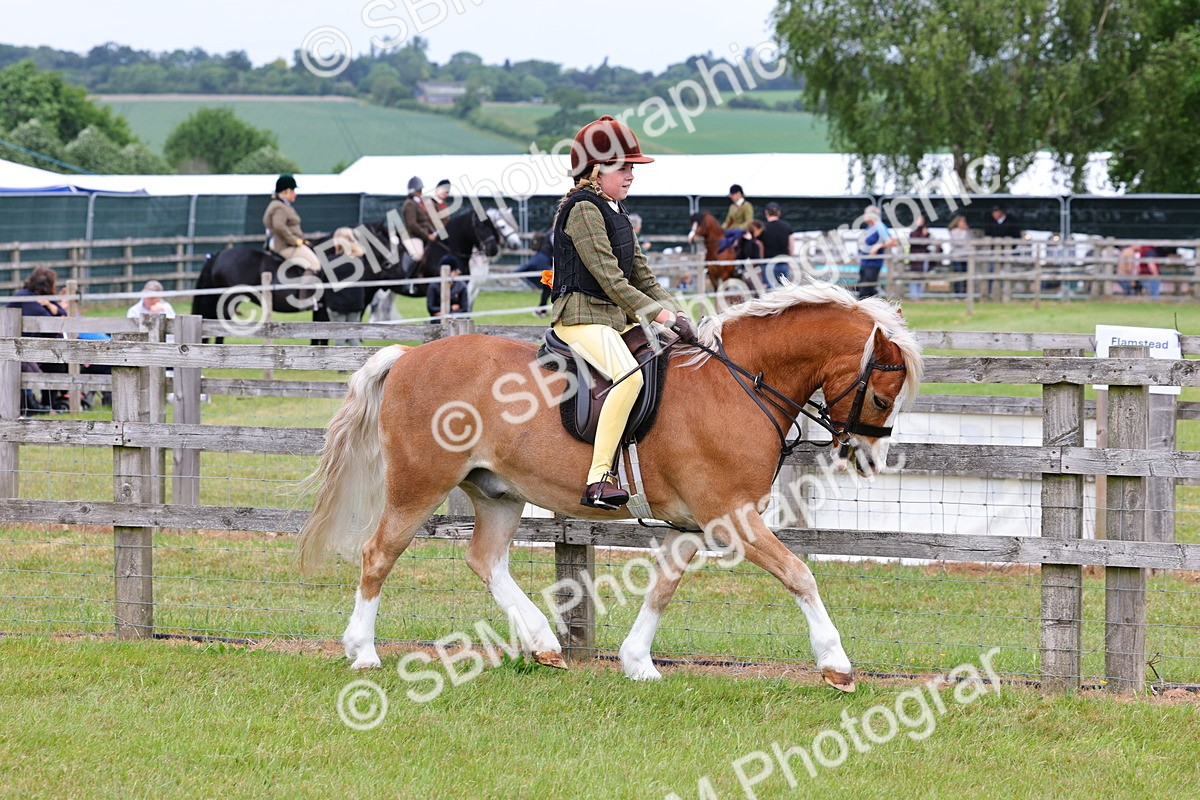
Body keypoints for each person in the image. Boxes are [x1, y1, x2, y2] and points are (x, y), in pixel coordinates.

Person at [550, 114, 695, 510]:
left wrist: (677, 314)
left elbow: (644, 278)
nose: (630, 174)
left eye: (632, 167)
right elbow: (613, 281)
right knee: (628, 377)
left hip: (615, 318)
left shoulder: (617, 211)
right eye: (622, 167)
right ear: (596, 170)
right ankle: (598, 478)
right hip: (580, 317)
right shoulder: (583, 210)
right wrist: (661, 318)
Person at [262, 174, 320, 273]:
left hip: (288, 244)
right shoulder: (279, 207)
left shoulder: (282, 205)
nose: (295, 194)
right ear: (286, 191)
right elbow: (279, 226)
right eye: (293, 191)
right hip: (285, 246)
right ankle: (305, 289)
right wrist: (295, 241)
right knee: (315, 265)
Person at [856, 205, 896, 298]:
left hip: (873, 264)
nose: (864, 216)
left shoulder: (880, 227)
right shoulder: (870, 227)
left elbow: (893, 242)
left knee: (865, 291)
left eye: (865, 214)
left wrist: (879, 246)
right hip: (865, 262)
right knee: (865, 290)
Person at [760, 201, 794, 285]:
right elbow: (791, 245)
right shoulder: (787, 226)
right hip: (783, 262)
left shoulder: (763, 228)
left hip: (768, 264)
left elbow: (760, 247)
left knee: (770, 292)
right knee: (783, 290)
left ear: (766, 212)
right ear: (778, 212)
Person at [523, 227, 555, 316]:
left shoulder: (552, 231)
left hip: (545, 260)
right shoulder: (554, 232)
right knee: (549, 285)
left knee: (548, 286)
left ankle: (541, 309)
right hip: (544, 260)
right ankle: (541, 310)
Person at [907, 214, 932, 299]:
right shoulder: (913, 232)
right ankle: (914, 296)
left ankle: (920, 296)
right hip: (915, 259)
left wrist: (926, 234)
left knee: (922, 278)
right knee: (914, 277)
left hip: (923, 259)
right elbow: (915, 242)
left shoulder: (926, 231)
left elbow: (927, 244)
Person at [948, 214, 972, 295]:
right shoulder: (954, 232)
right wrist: (964, 232)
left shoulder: (968, 231)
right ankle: (957, 294)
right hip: (957, 257)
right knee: (958, 276)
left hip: (966, 257)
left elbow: (971, 243)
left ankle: (965, 294)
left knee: (966, 277)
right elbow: (959, 243)